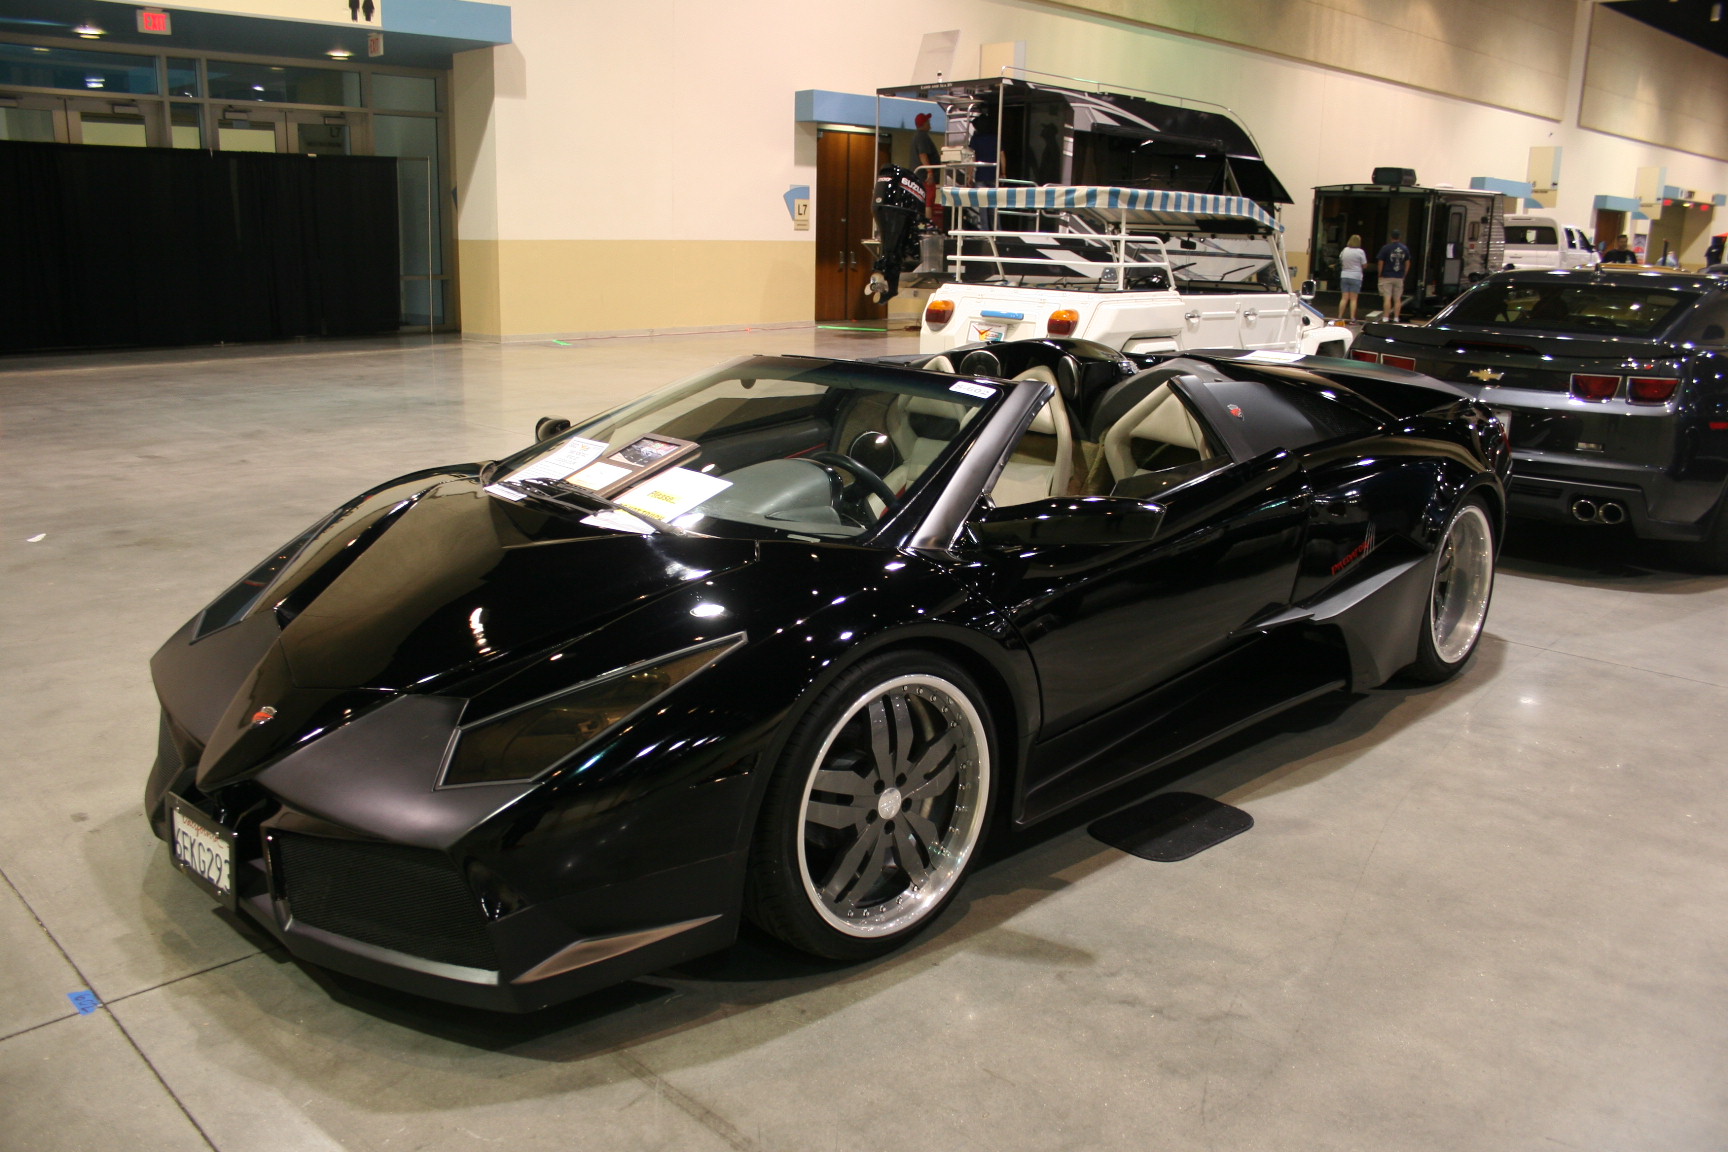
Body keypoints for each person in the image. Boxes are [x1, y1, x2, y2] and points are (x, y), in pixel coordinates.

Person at [1376, 229, 1413, 322]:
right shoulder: (1404, 249)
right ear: (1399, 237)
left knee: (1387, 298)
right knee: (1397, 299)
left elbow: (1381, 262)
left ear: (1391, 237)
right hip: (1399, 276)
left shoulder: (1385, 248)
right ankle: (1396, 317)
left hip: (1387, 276)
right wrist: (1404, 275)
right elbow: (1408, 263)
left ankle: (1385, 317)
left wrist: (1380, 274)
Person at [1337, 233, 1367, 321]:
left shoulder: (1344, 250)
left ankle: (1339, 316)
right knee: (1353, 299)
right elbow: (1364, 265)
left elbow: (1341, 260)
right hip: (1356, 276)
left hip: (1345, 275)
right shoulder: (1360, 252)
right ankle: (1352, 318)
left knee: (1344, 298)